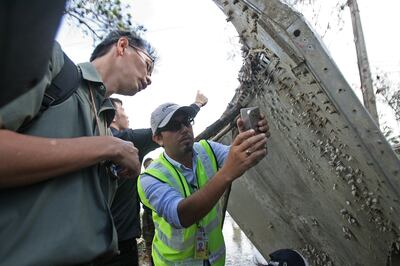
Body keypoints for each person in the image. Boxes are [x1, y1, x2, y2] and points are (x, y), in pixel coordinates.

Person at [0, 30, 155, 265]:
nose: (150, 78)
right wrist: (108, 147)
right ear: (122, 46)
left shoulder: (104, 120)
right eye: (148, 64)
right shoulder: (52, 61)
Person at [137, 102, 270, 265]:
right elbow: (181, 216)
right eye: (174, 125)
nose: (185, 129)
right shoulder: (150, 178)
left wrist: (250, 141)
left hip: (213, 259)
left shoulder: (207, 149)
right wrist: (227, 172)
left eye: (187, 121)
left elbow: (244, 158)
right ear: (158, 138)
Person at [105, 91, 209, 266]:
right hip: (122, 239)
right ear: (113, 116)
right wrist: (196, 105)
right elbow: (167, 129)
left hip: (100, 237)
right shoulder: (127, 141)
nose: (126, 114)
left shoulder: (98, 145)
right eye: (122, 109)